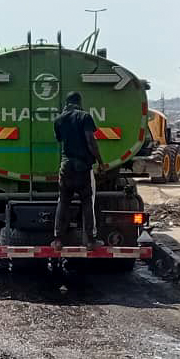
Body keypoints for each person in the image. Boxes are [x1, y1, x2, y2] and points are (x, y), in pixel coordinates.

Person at [53, 91, 105, 251]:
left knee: (63, 201)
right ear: (79, 102)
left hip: (66, 166)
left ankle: (58, 241)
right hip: (83, 167)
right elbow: (91, 141)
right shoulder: (85, 117)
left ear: (67, 103)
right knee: (87, 201)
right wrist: (100, 161)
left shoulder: (58, 119)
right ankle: (90, 241)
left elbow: (60, 139)